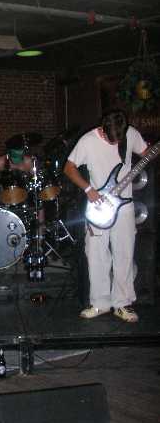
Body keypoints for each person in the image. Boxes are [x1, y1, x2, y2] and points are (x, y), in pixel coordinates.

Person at [63, 110, 148, 323]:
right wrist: (88, 189)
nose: (117, 142)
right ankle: (100, 304)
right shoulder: (88, 141)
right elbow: (69, 168)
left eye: (120, 138)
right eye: (112, 139)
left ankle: (123, 304)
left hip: (125, 206)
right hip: (98, 207)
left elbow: (145, 152)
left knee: (124, 255)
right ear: (103, 128)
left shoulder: (131, 134)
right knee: (96, 254)